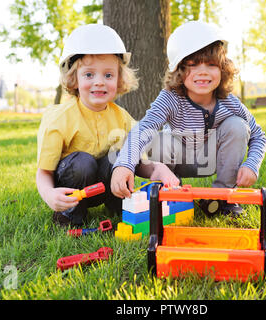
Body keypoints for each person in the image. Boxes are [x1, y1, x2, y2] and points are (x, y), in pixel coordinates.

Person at [111, 21, 266, 217]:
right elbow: (144, 129)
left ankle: (221, 199)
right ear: (179, 69)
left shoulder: (229, 102)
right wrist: (124, 164)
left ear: (222, 68)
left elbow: (258, 136)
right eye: (193, 64)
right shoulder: (171, 98)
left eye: (211, 64)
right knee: (159, 139)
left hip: (212, 157)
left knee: (238, 126)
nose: (203, 71)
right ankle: (170, 194)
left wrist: (251, 164)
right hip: (178, 157)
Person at [36, 24, 177, 227]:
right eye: (89, 75)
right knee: (83, 163)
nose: (99, 82)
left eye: (108, 75)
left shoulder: (122, 117)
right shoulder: (60, 119)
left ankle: (119, 205)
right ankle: (70, 213)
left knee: (120, 156)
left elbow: (137, 160)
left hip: (105, 184)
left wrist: (158, 169)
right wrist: (50, 195)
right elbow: (44, 172)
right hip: (73, 184)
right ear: (74, 79)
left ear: (119, 79)